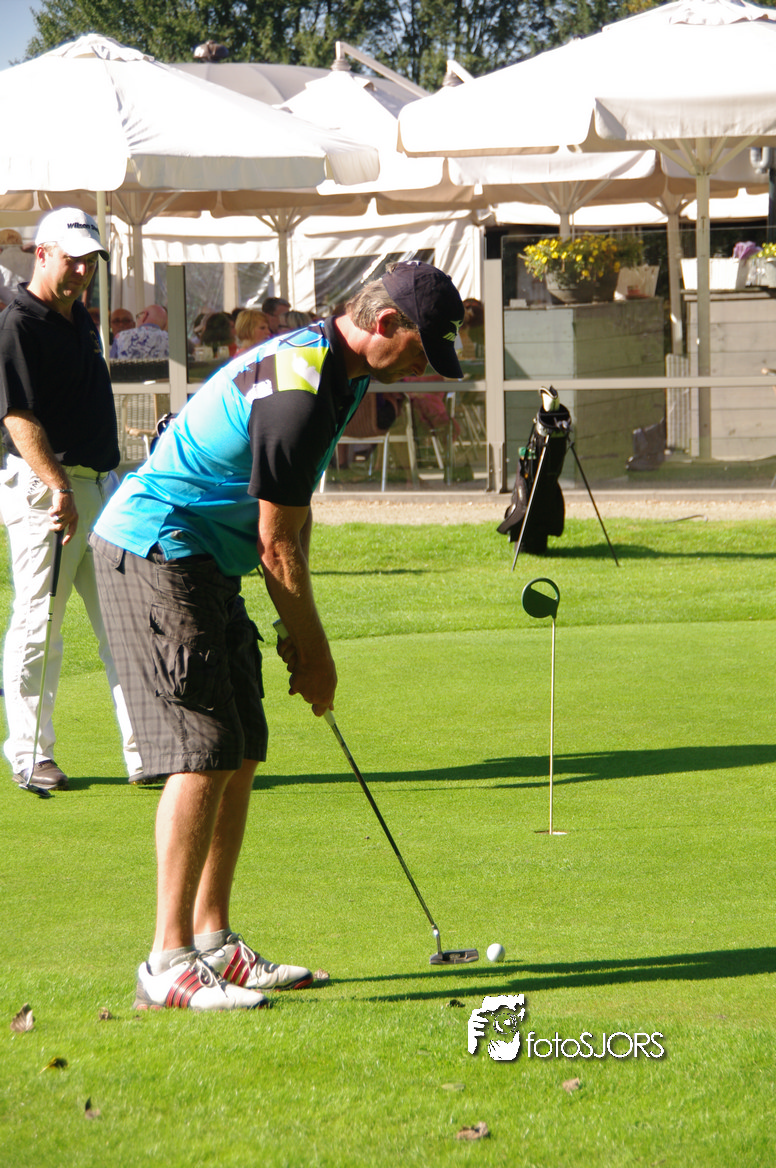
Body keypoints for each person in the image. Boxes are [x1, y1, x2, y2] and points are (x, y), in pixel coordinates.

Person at [89, 260, 464, 1011]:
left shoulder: (340, 373)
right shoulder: (302, 388)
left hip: (205, 557)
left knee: (243, 743)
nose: (424, 367)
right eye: (423, 349)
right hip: (157, 545)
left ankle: (213, 942)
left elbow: (294, 512)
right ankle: (166, 962)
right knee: (203, 748)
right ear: (385, 323)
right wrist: (317, 656)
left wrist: (302, 626)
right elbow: (275, 543)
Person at [0, 206, 141, 792]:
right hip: (48, 492)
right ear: (42, 253)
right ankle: (30, 753)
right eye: (72, 259)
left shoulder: (79, 316)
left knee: (125, 624)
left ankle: (147, 749)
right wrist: (59, 486)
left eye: (91, 261)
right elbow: (17, 417)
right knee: (39, 622)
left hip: (102, 487)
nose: (83, 271)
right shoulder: (18, 324)